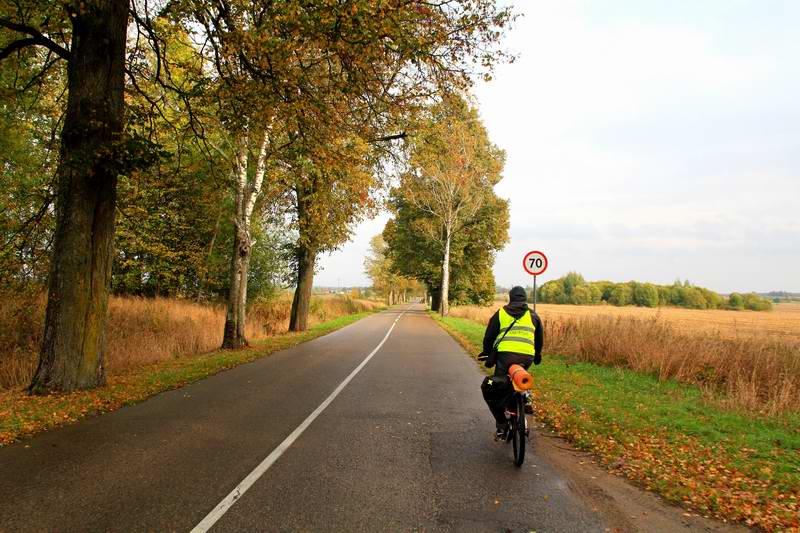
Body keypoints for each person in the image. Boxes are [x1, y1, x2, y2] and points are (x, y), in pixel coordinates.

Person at [478, 286, 543, 440]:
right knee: (520, 376)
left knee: (497, 388)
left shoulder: (501, 313)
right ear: (525, 298)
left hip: (505, 357)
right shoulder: (533, 315)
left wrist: (487, 351)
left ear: (511, 297)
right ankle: (525, 394)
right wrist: (538, 354)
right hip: (527, 358)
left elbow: (489, 336)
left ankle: (501, 426)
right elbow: (539, 338)